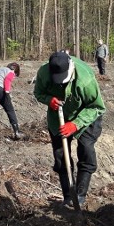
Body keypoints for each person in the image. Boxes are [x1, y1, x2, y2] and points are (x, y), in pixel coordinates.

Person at [34, 50, 105, 208]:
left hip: (86, 114)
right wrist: (49, 100)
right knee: (60, 155)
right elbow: (38, 92)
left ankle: (80, 195)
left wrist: (75, 124)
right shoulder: (44, 73)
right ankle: (68, 196)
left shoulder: (85, 80)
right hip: (58, 116)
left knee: (86, 149)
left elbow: (97, 107)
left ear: (71, 69)